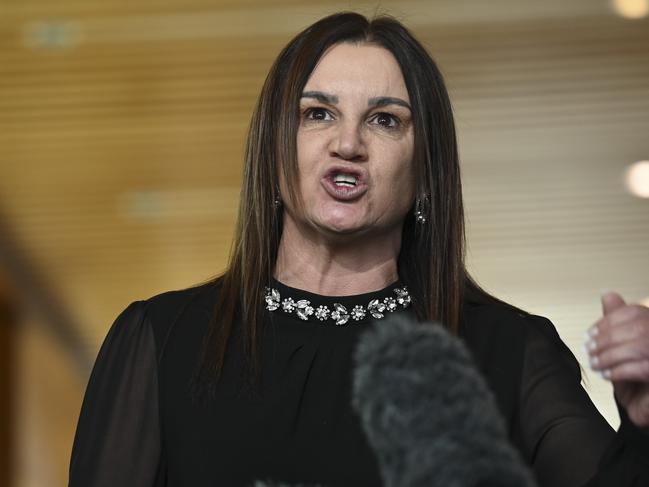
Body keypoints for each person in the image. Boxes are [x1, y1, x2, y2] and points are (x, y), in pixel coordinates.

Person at [68, 12, 649, 487]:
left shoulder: (509, 351)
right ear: (273, 151)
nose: (348, 143)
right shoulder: (162, 340)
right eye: (317, 114)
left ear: (425, 172)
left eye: (385, 121)